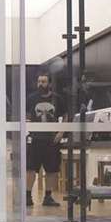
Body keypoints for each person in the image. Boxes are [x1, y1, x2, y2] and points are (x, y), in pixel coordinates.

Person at [26, 71, 67, 207]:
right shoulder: (31, 98)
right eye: (39, 81)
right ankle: (27, 196)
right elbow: (26, 116)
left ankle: (48, 197)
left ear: (49, 83)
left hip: (51, 140)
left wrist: (61, 132)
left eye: (43, 81)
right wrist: (28, 131)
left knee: (52, 169)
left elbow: (66, 116)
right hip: (35, 139)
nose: (40, 84)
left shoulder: (57, 99)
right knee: (31, 168)